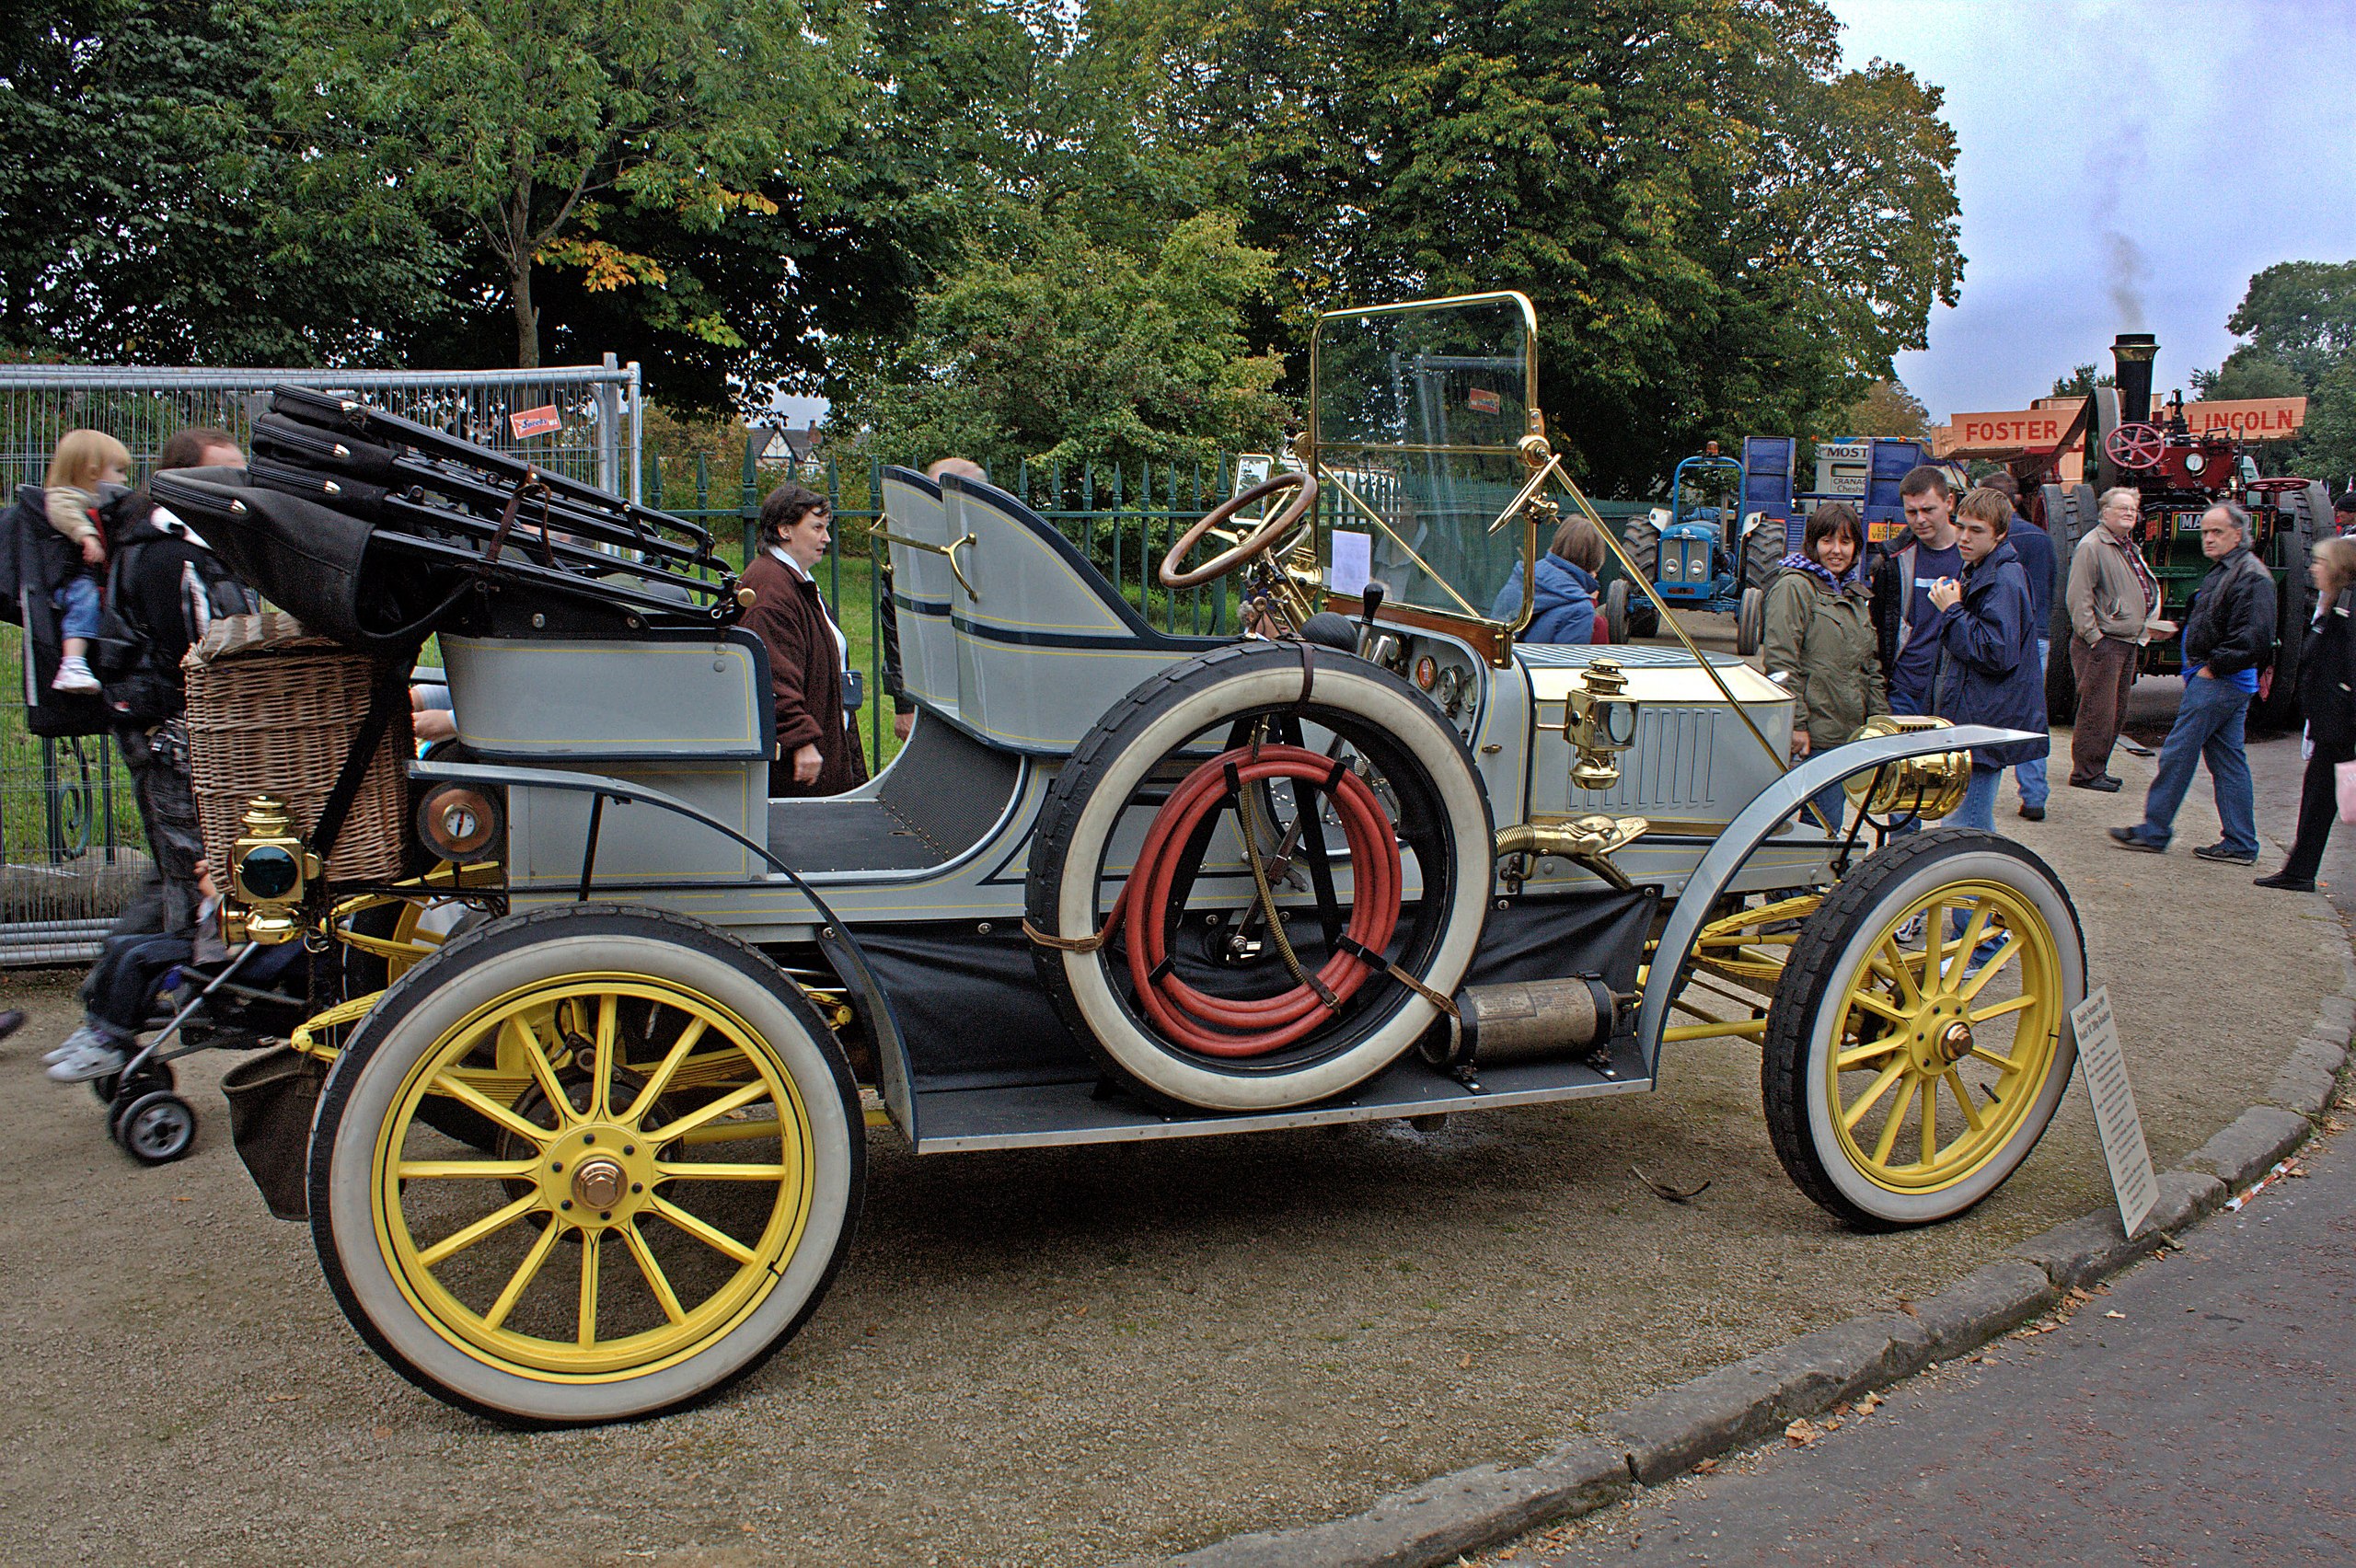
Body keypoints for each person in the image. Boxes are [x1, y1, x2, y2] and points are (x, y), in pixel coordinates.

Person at [46, 426, 256, 1082]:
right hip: (174, 737)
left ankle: (110, 1011)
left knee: (170, 869)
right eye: (223, 476)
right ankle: (169, 1010)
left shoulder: (187, 546)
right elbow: (199, 655)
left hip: (179, 734)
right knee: (189, 872)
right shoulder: (167, 554)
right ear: (182, 480)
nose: (237, 489)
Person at [2109, 502, 2274, 862]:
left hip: (2220, 682)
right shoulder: (2232, 570)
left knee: (2178, 754)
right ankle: (2240, 842)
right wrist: (2181, 632)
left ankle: (2155, 831)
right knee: (2228, 762)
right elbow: (2224, 623)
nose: (2208, 539)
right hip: (2223, 680)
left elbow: (2255, 639)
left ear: (2237, 534)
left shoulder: (2249, 575)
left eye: (2216, 532)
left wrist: (2212, 667)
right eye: (2204, 532)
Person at [1925, 489, 2047, 831]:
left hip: (1984, 722)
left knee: (1967, 828)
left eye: (1976, 531)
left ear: (2000, 533)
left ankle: (1977, 886)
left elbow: (1995, 653)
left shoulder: (2002, 578)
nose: (1964, 537)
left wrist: (1951, 611)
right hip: (1975, 720)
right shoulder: (1979, 569)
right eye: (1960, 526)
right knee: (1964, 826)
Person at [742, 482, 869, 798]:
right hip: (798, 759)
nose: (826, 538)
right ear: (785, 530)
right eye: (816, 528)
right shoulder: (772, 589)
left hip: (823, 734)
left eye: (826, 528)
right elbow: (773, 674)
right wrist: (801, 740)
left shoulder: (794, 579)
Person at [1761, 502, 1884, 827]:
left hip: (1843, 736)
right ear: (1813, 542)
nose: (1836, 550)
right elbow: (1780, 661)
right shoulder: (1794, 587)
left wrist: (1880, 723)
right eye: (1827, 541)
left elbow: (1869, 665)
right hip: (1810, 736)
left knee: (1826, 830)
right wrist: (1796, 724)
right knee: (1798, 831)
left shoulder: (1854, 595)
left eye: (1845, 542)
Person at [2258, 536, 2356, 893]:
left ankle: (2300, 870)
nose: (2313, 569)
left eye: (2320, 562)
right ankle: (2300, 870)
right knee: (2320, 800)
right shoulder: (2333, 604)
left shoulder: (2347, 608)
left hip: (2342, 728)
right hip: (2332, 727)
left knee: (2326, 800)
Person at [2065, 486, 2169, 792]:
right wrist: (2093, 637)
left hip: (2125, 641)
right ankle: (2086, 773)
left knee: (2115, 711)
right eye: (2122, 508)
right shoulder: (2093, 546)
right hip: (2105, 642)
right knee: (2098, 711)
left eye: (2133, 510)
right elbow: (2078, 596)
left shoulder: (2125, 546)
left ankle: (2097, 768)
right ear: (2104, 512)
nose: (2129, 513)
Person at [40, 429, 132, 694]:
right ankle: (72, 664)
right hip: (74, 581)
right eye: (119, 471)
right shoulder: (65, 496)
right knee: (85, 599)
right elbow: (63, 513)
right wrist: (87, 536)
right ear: (93, 472)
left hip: (99, 578)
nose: (124, 479)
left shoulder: (101, 503)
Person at [1985, 472, 2054, 818]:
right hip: (2038, 634)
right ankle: (2035, 794)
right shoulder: (2042, 539)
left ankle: (1983, 780)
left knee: (1992, 712)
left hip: (2002, 634)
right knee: (2030, 714)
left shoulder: (1996, 541)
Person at [1871, 466, 1964, 716]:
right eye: (1911, 512)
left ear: (1949, 503)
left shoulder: (1973, 558)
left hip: (1956, 691)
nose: (1919, 520)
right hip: (1906, 690)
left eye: (1928, 510)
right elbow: (1878, 628)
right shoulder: (1893, 561)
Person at [1489, 514, 1604, 642]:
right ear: (1595, 559)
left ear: (1557, 542)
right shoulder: (1581, 610)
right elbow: (1565, 661)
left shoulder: (1521, 577)